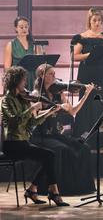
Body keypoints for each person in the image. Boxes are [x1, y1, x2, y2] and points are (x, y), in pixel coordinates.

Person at [1, 66, 68, 206]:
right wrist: (32, 108)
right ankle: (52, 192)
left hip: (23, 143)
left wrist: (48, 112)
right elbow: (14, 122)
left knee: (49, 156)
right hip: (12, 145)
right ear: (16, 81)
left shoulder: (23, 99)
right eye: (23, 80)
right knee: (49, 156)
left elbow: (31, 123)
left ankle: (34, 189)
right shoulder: (6, 100)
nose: (25, 83)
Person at [30, 64, 96, 195]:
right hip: (40, 136)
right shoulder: (35, 95)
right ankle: (60, 189)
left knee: (83, 147)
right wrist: (54, 109)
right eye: (51, 74)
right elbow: (35, 118)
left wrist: (86, 94)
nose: (55, 77)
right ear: (42, 76)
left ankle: (81, 187)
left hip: (54, 135)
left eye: (54, 74)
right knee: (62, 149)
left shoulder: (58, 93)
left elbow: (73, 111)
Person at [71, 8, 103, 138]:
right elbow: (74, 56)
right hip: (88, 74)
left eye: (99, 20)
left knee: (102, 102)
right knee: (87, 102)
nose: (97, 23)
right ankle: (85, 136)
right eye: (94, 20)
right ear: (89, 21)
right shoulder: (83, 37)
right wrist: (90, 55)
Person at [4, 16, 40, 89]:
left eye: (26, 27)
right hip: (18, 80)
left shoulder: (35, 44)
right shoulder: (11, 45)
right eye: (21, 27)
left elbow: (40, 63)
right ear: (16, 28)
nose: (24, 29)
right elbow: (7, 68)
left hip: (32, 79)